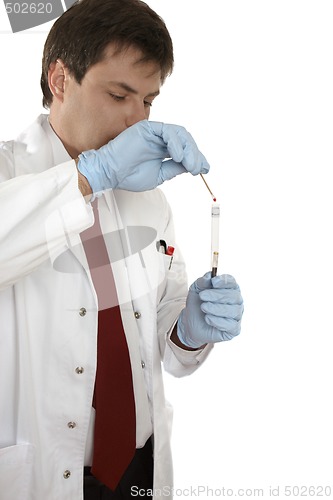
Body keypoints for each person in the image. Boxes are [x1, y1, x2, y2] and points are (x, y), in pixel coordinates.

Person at [0, 0, 244, 499]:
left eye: (149, 101)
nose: (138, 121)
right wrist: (91, 176)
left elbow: (156, 338)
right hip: (40, 474)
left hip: (139, 469)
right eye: (119, 95)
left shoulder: (148, 199)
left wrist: (188, 329)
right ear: (60, 79)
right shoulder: (10, 172)